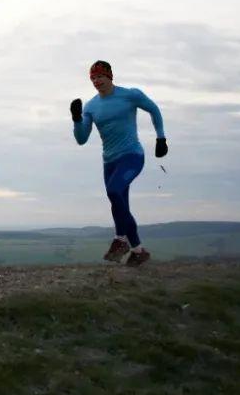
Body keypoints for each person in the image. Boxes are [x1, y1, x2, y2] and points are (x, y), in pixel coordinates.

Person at [70, 60, 167, 266]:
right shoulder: (91, 106)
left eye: (100, 76)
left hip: (132, 155)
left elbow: (154, 109)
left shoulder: (130, 95)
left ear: (110, 76)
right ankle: (138, 250)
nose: (97, 81)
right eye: (93, 78)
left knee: (114, 191)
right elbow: (81, 139)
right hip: (110, 162)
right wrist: (77, 119)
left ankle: (120, 239)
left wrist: (161, 138)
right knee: (118, 202)